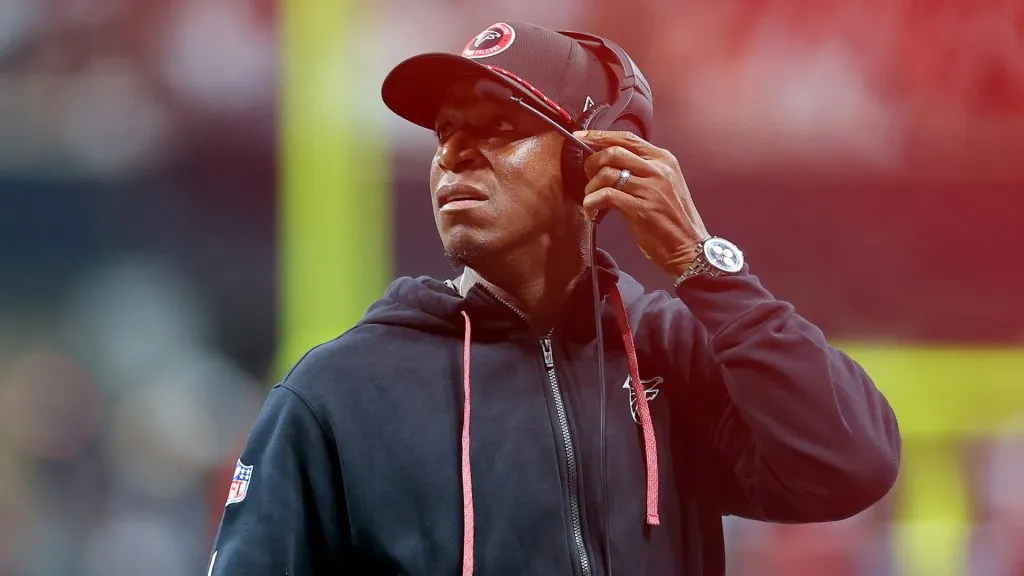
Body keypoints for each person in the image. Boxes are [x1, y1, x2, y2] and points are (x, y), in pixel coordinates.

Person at [206, 21, 902, 576]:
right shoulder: (339, 392)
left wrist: (704, 266)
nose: (453, 156)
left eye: (499, 128)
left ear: (599, 158)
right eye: (445, 132)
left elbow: (853, 462)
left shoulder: (668, 352)